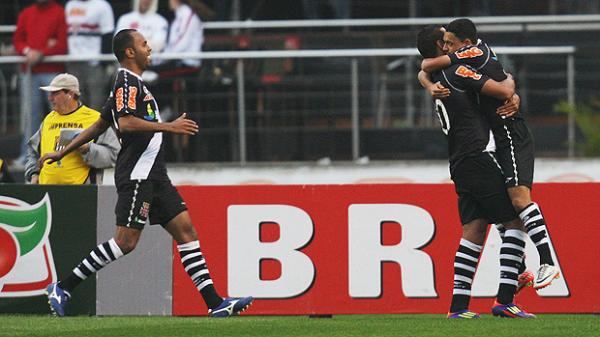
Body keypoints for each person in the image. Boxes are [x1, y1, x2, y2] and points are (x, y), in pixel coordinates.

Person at [40, 29, 253, 318]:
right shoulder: (126, 81)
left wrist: (63, 151)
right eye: (143, 44)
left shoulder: (133, 84)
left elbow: (100, 125)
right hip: (137, 174)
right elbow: (125, 124)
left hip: (155, 175)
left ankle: (215, 303)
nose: (148, 47)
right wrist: (169, 127)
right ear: (130, 52)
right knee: (125, 242)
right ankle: (62, 287)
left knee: (186, 230)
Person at [419, 18, 560, 291]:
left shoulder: (464, 59)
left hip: (508, 133)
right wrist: (426, 79)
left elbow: (427, 65)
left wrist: (425, 78)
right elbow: (502, 81)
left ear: (465, 44)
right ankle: (517, 274)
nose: (447, 45)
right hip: (492, 139)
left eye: (451, 41)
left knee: (517, 201)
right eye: (444, 42)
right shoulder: (456, 68)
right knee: (502, 210)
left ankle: (547, 262)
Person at [24, 73, 119, 185]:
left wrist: (87, 149)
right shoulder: (49, 119)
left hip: (81, 194)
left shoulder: (95, 119)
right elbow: (33, 150)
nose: (50, 98)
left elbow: (114, 155)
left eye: (55, 93)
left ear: (70, 93)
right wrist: (34, 174)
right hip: (46, 194)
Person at [13, 0, 68, 165]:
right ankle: (28, 157)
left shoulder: (59, 12)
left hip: (53, 72)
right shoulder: (26, 13)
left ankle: (62, 155)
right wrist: (28, 51)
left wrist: (41, 53)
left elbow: (62, 45)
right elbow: (18, 40)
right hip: (30, 73)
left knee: (60, 114)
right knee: (31, 116)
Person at [65, 0, 115, 110]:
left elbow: (107, 35)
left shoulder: (102, 5)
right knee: (74, 105)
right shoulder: (70, 5)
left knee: (96, 103)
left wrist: (105, 64)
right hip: (73, 63)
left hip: (94, 62)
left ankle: (95, 127)